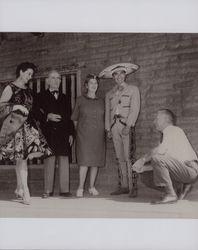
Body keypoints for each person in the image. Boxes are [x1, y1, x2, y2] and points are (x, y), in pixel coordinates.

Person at [0, 62, 51, 205]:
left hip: (28, 127)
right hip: (14, 127)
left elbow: (33, 109)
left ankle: (19, 188)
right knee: (22, 159)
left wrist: (45, 117)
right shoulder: (10, 88)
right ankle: (25, 190)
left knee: (21, 158)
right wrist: (15, 106)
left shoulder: (28, 90)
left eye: (31, 75)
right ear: (21, 72)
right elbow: (1, 106)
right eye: (28, 74)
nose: (30, 77)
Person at [132, 109, 198, 204]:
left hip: (189, 170)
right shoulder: (167, 135)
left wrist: (142, 160)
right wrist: (143, 168)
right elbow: (162, 164)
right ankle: (178, 188)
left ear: (166, 120)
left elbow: (158, 155)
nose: (154, 121)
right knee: (145, 176)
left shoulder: (173, 130)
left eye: (157, 118)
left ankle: (170, 194)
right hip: (181, 169)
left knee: (156, 158)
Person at [99, 63, 140, 196]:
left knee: (129, 157)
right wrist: (108, 129)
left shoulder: (133, 89)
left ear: (125, 75)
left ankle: (133, 187)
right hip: (114, 127)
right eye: (115, 74)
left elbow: (135, 109)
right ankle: (123, 186)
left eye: (121, 73)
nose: (119, 76)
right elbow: (107, 113)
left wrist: (129, 125)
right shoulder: (109, 94)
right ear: (112, 77)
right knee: (119, 157)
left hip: (126, 126)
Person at [34, 70, 74, 198]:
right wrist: (47, 116)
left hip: (63, 133)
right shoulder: (40, 96)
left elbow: (69, 117)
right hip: (48, 133)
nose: (56, 81)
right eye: (53, 78)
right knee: (49, 160)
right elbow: (35, 112)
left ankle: (64, 190)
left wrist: (71, 133)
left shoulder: (65, 97)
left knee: (64, 160)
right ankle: (48, 190)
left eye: (58, 78)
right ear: (47, 81)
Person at [71, 74, 105, 197]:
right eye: (91, 83)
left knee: (95, 162)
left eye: (95, 83)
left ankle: (91, 187)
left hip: (98, 136)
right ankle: (80, 188)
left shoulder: (101, 101)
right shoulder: (80, 100)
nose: (93, 85)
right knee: (84, 162)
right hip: (83, 136)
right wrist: (80, 132)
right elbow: (75, 118)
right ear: (86, 85)